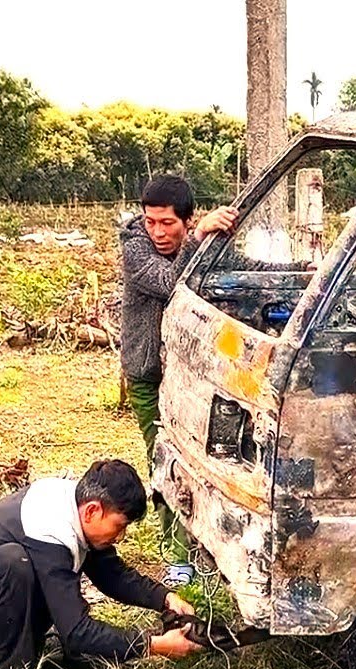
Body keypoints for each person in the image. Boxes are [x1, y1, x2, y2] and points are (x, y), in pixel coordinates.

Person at [0, 460, 203, 669]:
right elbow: (76, 631)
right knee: (14, 562)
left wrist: (165, 598)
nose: (120, 537)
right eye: (120, 526)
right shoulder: (50, 529)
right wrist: (152, 645)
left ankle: (17, 656)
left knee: (42, 577)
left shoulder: (74, 506)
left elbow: (111, 574)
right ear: (93, 511)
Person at [120, 175, 238, 586]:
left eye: (167, 223)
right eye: (151, 221)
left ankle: (206, 545)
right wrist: (199, 238)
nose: (157, 231)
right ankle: (176, 557)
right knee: (165, 464)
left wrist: (305, 273)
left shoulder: (193, 243)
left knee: (203, 463)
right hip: (149, 377)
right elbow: (171, 284)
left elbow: (241, 270)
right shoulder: (135, 249)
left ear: (187, 219)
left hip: (192, 376)